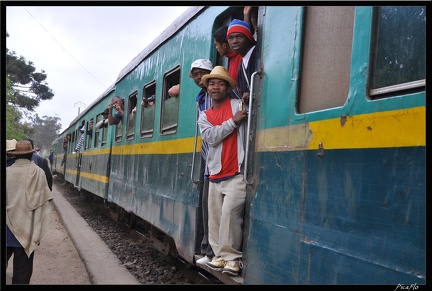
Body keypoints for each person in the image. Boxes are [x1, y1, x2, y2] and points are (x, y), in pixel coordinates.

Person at [197, 66, 248, 276]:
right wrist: (233, 122)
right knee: (216, 218)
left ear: (227, 88)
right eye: (211, 83)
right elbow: (211, 137)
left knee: (230, 216)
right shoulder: (204, 116)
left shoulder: (239, 105)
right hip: (216, 173)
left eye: (220, 83)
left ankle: (232, 259)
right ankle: (218, 256)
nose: (215, 87)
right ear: (208, 89)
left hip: (237, 172)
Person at [6, 139, 53, 284]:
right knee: (22, 272)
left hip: (6, 231)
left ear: (15, 155)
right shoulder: (38, 172)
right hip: (28, 230)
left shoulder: (6, 172)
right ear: (30, 154)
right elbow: (45, 199)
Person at [188, 58, 215, 265]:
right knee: (207, 205)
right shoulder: (201, 98)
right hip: (207, 157)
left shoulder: (218, 95)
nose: (198, 78)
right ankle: (208, 250)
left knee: (213, 205)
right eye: (195, 75)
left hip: (220, 156)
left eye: (201, 73)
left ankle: (212, 250)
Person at [227, 19, 257, 104]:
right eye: (230, 38)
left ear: (248, 37)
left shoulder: (258, 55)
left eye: (239, 36)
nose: (235, 41)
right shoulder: (241, 65)